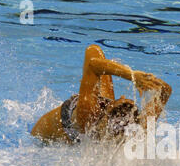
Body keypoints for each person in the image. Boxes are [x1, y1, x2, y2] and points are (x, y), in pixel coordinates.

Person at [31, 44, 171, 143]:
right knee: (95, 51)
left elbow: (93, 64)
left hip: (42, 136)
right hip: (95, 134)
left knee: (94, 50)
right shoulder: (137, 130)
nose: (122, 96)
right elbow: (166, 91)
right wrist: (149, 82)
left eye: (121, 100)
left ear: (109, 108)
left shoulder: (87, 112)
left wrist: (133, 75)